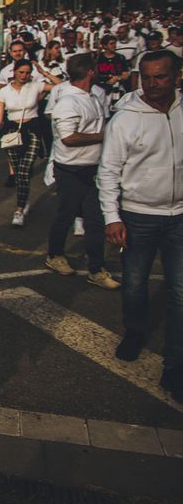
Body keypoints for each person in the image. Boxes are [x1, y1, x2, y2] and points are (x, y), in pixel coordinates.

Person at [101, 51, 183, 402]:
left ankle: (175, 367)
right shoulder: (124, 119)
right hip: (138, 215)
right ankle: (134, 333)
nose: (152, 84)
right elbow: (108, 171)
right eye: (145, 77)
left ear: (177, 76)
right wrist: (112, 216)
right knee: (134, 284)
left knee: (180, 293)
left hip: (179, 217)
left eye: (160, 77)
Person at [44, 54, 119, 288]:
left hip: (92, 169)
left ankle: (96, 269)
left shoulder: (94, 96)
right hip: (70, 170)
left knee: (95, 220)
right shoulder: (68, 102)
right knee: (65, 215)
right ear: (90, 71)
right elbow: (68, 138)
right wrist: (104, 136)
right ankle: (54, 255)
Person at [0, 59, 58, 227]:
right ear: (14, 72)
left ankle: (19, 209)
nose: (24, 76)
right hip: (11, 132)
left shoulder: (36, 85)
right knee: (19, 173)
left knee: (24, 171)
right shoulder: (4, 92)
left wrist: (44, 72)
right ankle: (24, 201)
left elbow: (62, 86)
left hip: (32, 130)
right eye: (21, 72)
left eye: (27, 72)